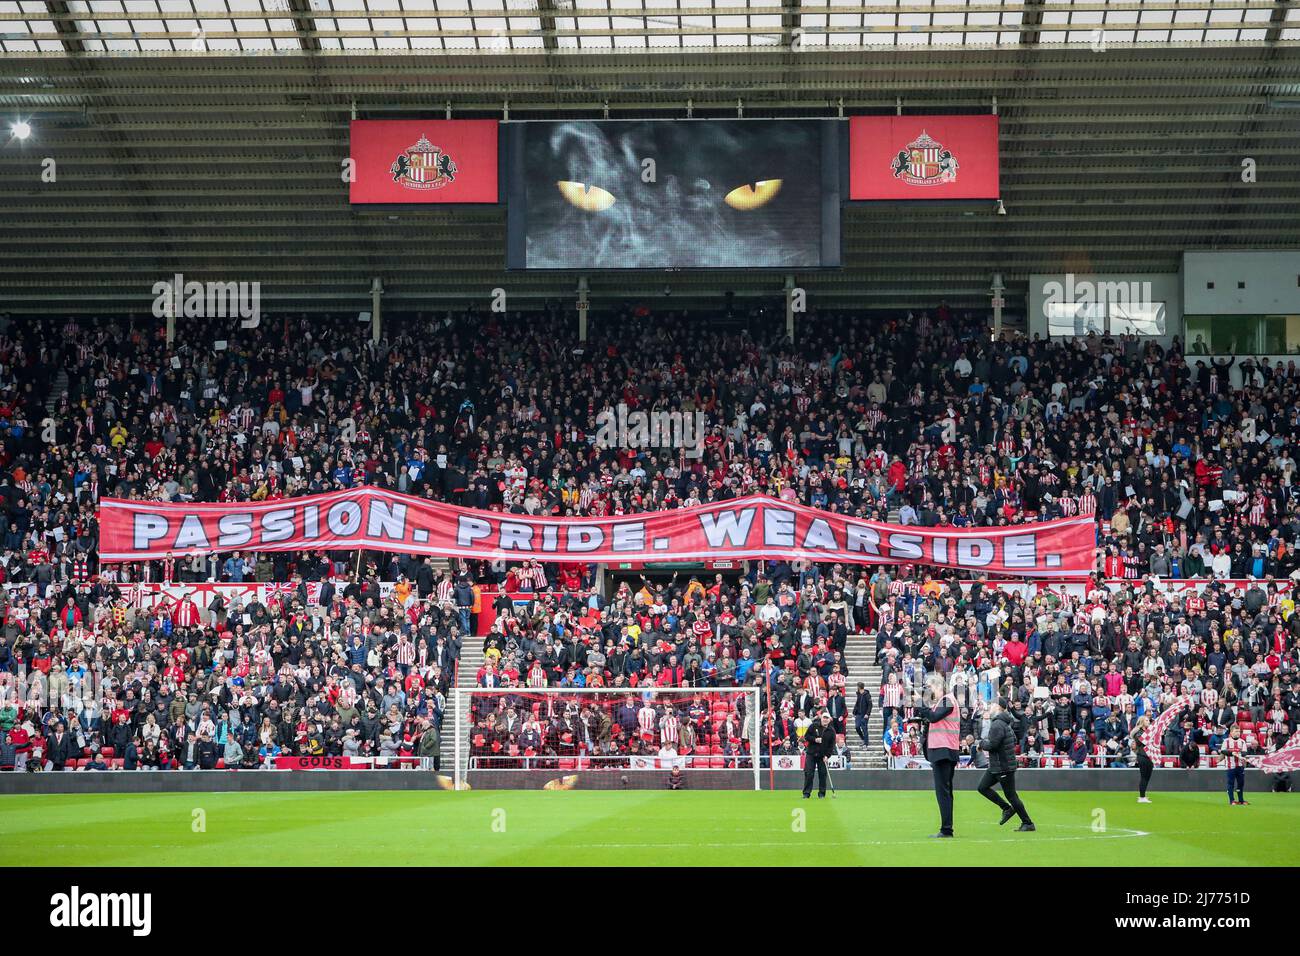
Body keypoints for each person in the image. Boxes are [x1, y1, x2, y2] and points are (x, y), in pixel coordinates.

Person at [913, 673, 961, 837]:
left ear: (939, 686)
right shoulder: (943, 701)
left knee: (943, 791)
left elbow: (933, 717)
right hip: (944, 749)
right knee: (945, 791)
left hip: (944, 750)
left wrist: (919, 702)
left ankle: (946, 829)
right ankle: (947, 827)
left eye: (930, 687)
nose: (929, 690)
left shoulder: (948, 700)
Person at [976, 699, 1035, 832]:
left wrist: (981, 744)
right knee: (982, 787)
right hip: (998, 765)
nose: (989, 707)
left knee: (1012, 796)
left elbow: (992, 745)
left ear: (998, 707)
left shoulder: (997, 724)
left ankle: (1028, 823)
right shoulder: (1004, 723)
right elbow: (1013, 740)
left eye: (992, 705)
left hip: (1003, 766)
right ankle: (1006, 808)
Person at [802, 709, 834, 799]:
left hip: (822, 756)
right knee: (809, 773)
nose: (825, 719)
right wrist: (815, 739)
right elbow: (806, 736)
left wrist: (827, 756)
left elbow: (831, 746)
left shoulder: (831, 731)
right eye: (824, 718)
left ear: (829, 719)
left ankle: (822, 794)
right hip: (811, 754)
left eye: (827, 718)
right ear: (821, 718)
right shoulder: (814, 726)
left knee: (823, 774)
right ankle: (806, 793)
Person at [1220, 724, 1249, 806]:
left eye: (1239, 731)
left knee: (1240, 783)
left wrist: (1238, 753)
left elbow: (1244, 753)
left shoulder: (1242, 741)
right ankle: (1232, 800)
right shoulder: (1226, 741)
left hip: (1240, 766)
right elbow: (1223, 751)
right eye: (1236, 731)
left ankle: (1241, 800)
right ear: (1231, 732)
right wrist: (1232, 753)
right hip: (1230, 766)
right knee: (1231, 783)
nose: (1238, 733)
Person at [1131, 715, 1154, 803]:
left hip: (1149, 756)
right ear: (1142, 722)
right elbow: (1144, 741)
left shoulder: (1147, 731)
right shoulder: (1138, 732)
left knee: (1147, 777)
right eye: (1147, 720)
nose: (1149, 722)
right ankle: (1142, 797)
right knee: (1144, 777)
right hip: (1143, 756)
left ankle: (1143, 795)